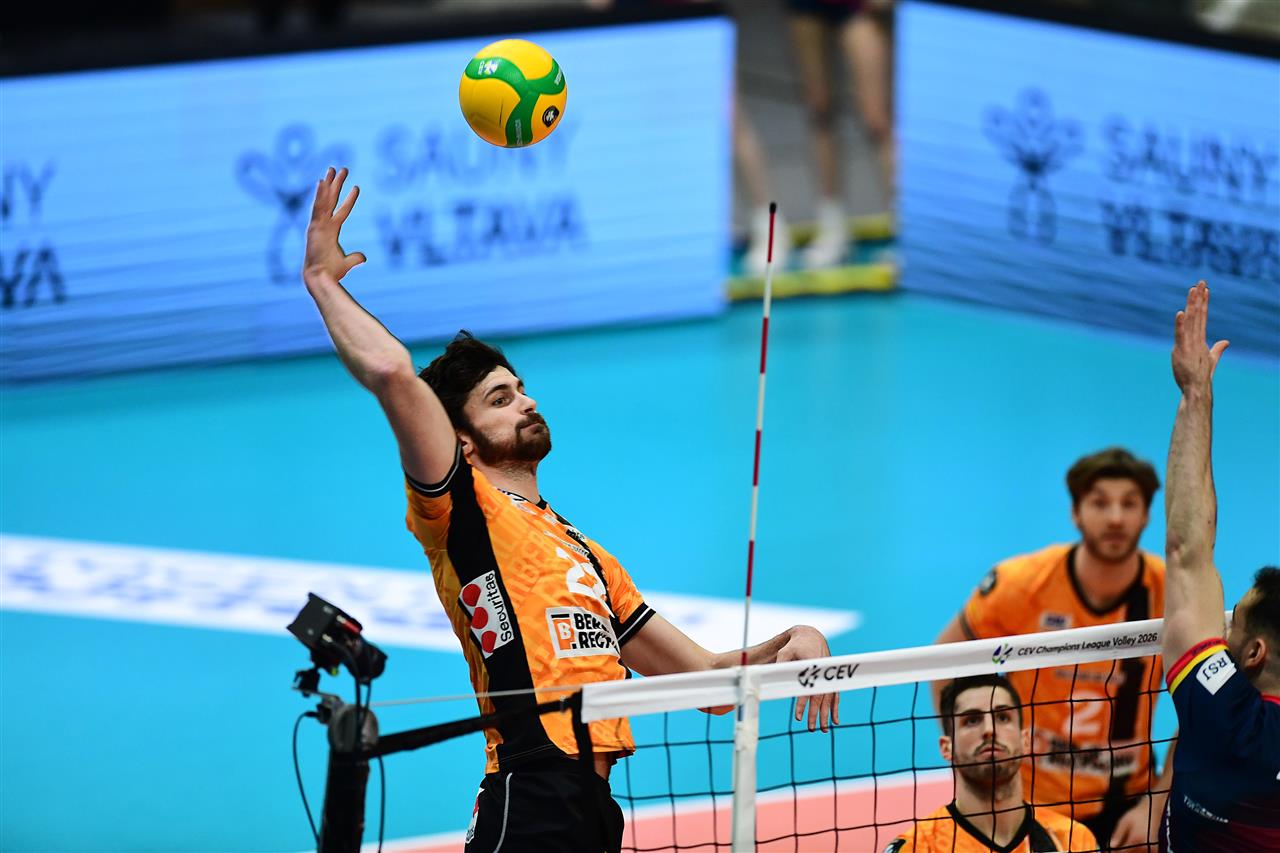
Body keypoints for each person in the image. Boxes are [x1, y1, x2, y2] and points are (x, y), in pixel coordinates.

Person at [301, 167, 839, 853]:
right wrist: (323, 282)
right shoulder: (461, 511)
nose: (525, 401)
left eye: (521, 389)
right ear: (461, 441)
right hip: (530, 795)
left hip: (595, 809)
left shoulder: (587, 556)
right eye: (499, 399)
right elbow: (392, 375)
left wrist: (794, 639)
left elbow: (709, 684)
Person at [934, 448, 1173, 850]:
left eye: (1129, 503)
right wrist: (970, 759)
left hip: (1130, 805)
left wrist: (1156, 803)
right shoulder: (1021, 585)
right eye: (1100, 503)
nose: (1115, 518)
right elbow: (944, 660)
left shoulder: (1169, 590)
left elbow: (1202, 709)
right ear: (1075, 513)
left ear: (1147, 515)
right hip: (1031, 806)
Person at [1159, 279, 1280, 850]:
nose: (1224, 630)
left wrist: (1195, 395)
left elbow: (1188, 555)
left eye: (1233, 625)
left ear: (1254, 653)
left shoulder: (1225, 716)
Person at [888, 674, 1097, 852]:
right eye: (972, 720)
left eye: (1003, 717)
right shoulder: (918, 847)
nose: (989, 729)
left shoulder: (1073, 840)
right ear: (946, 747)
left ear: (1025, 740)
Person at [785, 0, 895, 268]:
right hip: (807, 7)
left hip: (858, 7)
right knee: (819, 110)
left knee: (877, 118)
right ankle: (832, 225)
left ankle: (907, 227)